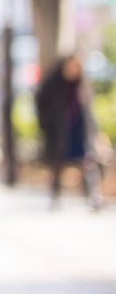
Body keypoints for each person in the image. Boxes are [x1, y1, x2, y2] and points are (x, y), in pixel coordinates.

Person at [35, 54, 104, 211]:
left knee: (87, 162)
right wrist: (47, 124)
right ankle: (56, 195)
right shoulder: (52, 84)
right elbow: (41, 105)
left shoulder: (81, 85)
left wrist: (94, 133)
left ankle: (92, 196)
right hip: (59, 132)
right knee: (58, 164)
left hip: (79, 131)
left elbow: (88, 112)